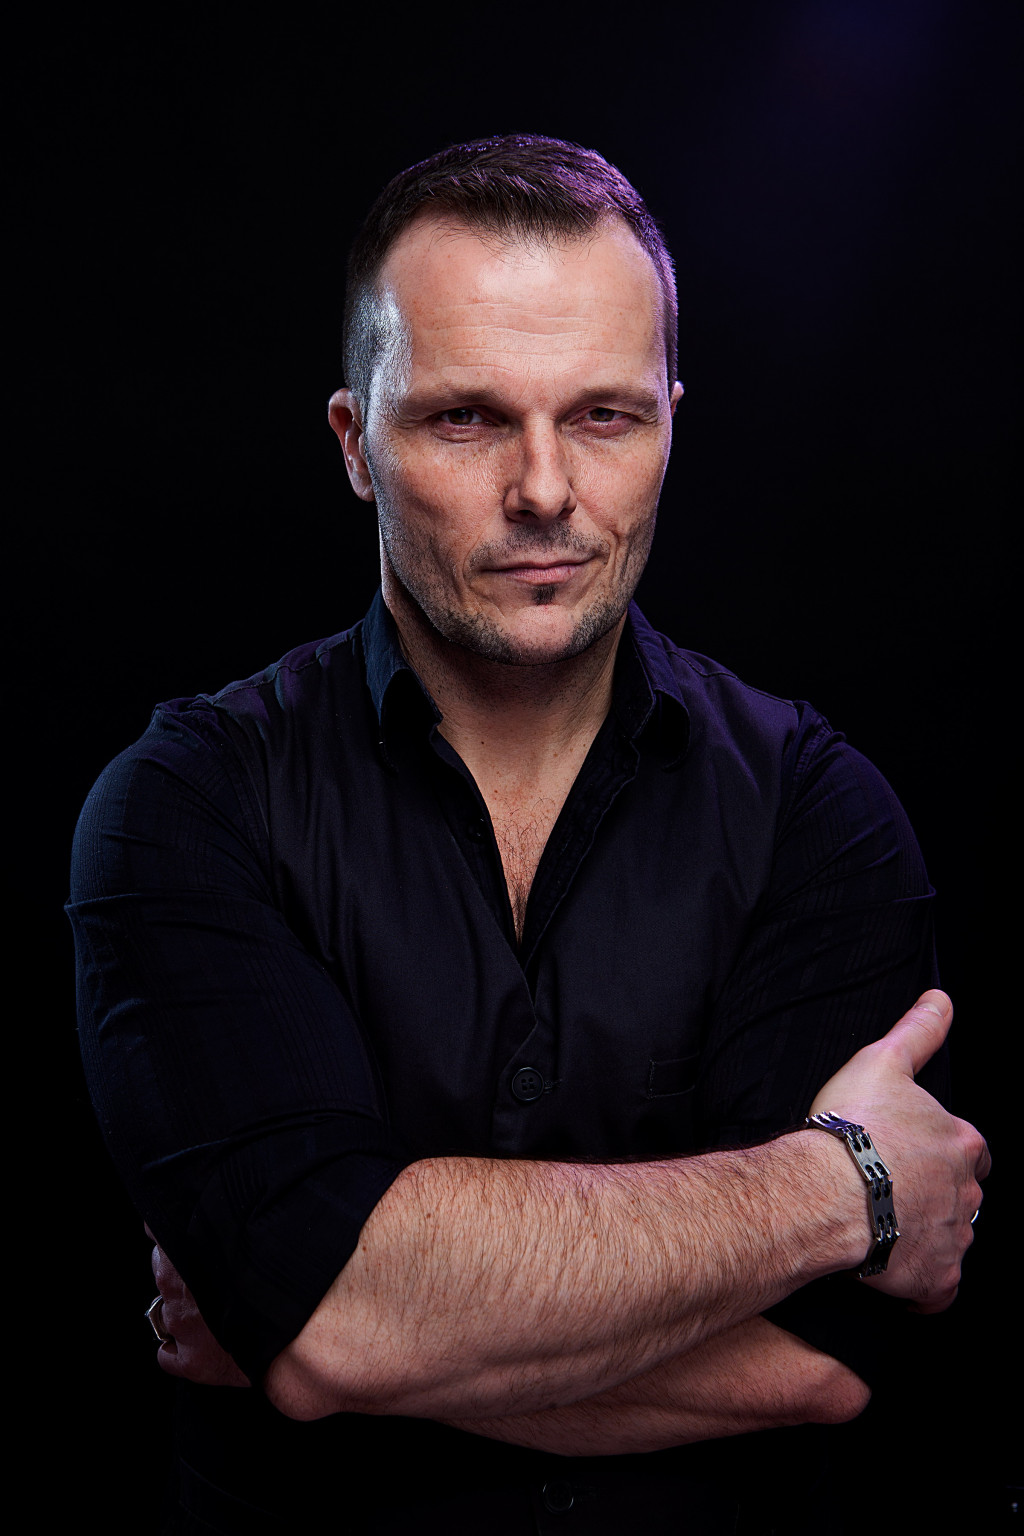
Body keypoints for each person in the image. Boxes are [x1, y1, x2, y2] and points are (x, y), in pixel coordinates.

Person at [69, 135, 989, 1534]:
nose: (547, 489)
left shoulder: (820, 813)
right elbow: (334, 1324)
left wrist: (332, 1330)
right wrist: (838, 1187)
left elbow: (829, 1365)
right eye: (467, 420)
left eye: (604, 416)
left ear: (671, 423)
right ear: (355, 444)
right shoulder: (189, 803)